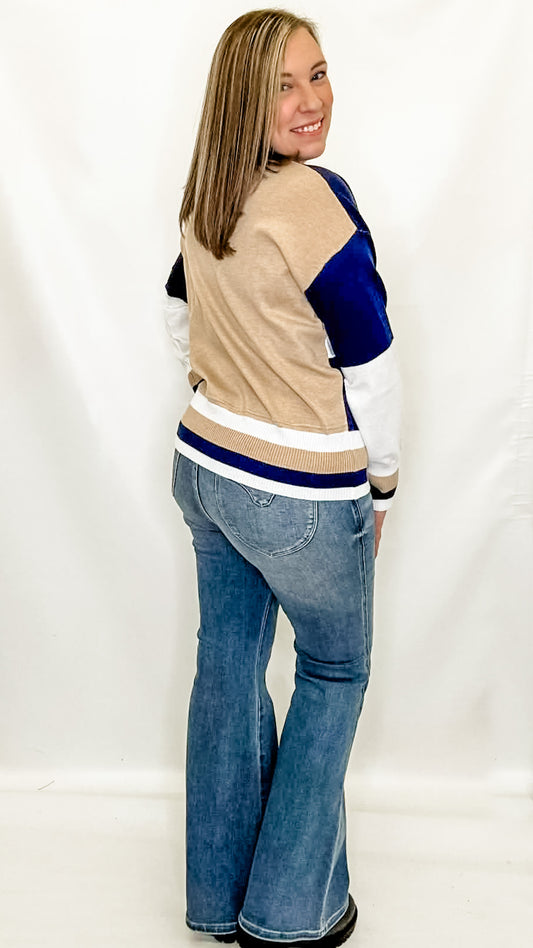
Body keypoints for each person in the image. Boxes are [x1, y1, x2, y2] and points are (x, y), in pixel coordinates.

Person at [164, 9, 400, 947]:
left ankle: (216, 902)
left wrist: (223, 382)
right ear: (243, 101)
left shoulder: (208, 194)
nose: (312, 102)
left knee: (227, 662)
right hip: (298, 492)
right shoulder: (312, 203)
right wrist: (380, 484)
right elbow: (371, 363)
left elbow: (177, 311)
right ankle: (288, 914)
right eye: (284, 86)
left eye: (319, 74)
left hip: (203, 468)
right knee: (333, 672)